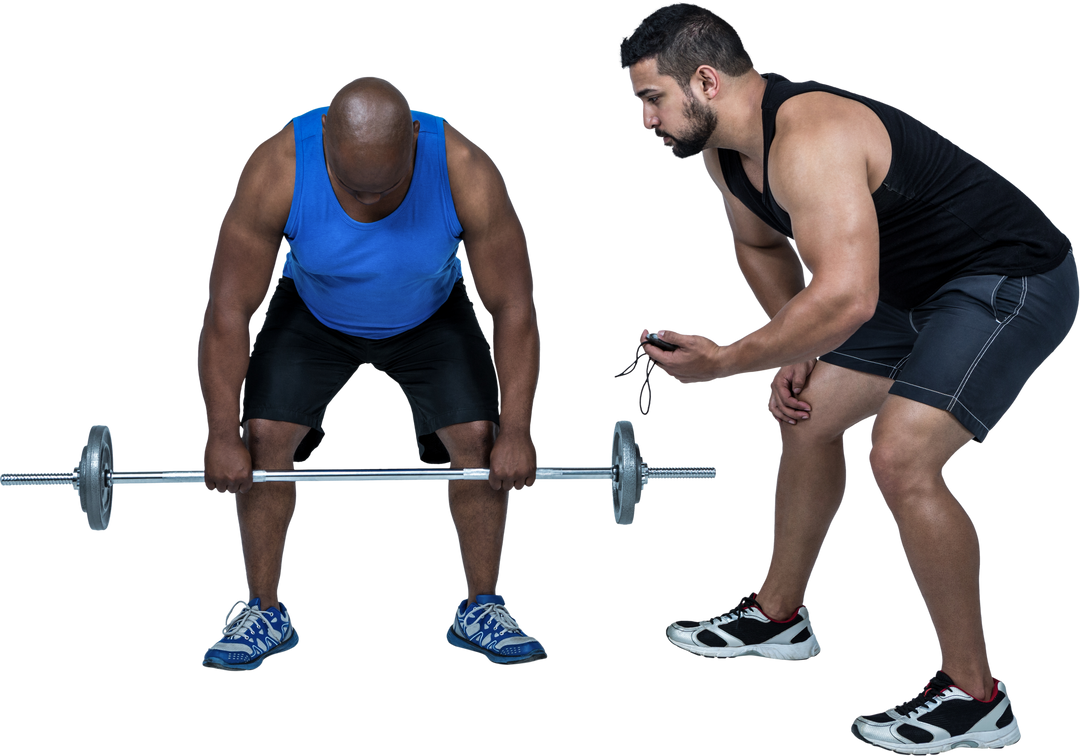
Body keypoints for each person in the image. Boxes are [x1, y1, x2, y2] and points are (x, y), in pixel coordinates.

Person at [615, 3, 1076, 753]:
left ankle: (976, 697)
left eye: (650, 97)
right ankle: (778, 617)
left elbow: (847, 298)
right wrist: (791, 347)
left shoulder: (813, 133)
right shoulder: (726, 153)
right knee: (805, 411)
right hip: (902, 288)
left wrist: (732, 359)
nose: (645, 118)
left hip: (1007, 279)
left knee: (900, 458)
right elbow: (758, 245)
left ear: (704, 81)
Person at [194, 75, 545, 672]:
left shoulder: (463, 166)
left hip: (430, 312)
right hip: (314, 311)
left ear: (415, 141)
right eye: (353, 190)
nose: (370, 206)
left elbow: (513, 309)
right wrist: (222, 434)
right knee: (265, 438)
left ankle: (482, 603)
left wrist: (517, 430)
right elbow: (228, 312)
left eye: (386, 190)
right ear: (324, 140)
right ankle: (262, 608)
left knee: (479, 442)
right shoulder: (278, 164)